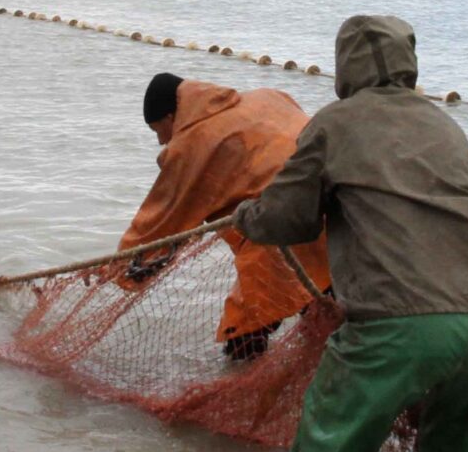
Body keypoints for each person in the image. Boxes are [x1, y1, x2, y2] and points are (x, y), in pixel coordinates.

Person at [235, 15, 468, 452]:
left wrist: (246, 217)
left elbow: (290, 218)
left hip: (402, 324)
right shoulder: (444, 122)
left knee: (331, 451)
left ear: (346, 67)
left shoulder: (335, 122)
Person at [121, 71, 332, 360]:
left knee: (245, 334)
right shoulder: (268, 97)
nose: (160, 142)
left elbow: (164, 220)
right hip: (340, 214)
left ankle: (252, 388)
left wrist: (118, 269)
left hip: (277, 232)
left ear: (171, 117)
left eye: (158, 130)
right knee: (326, 307)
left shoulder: (193, 143)